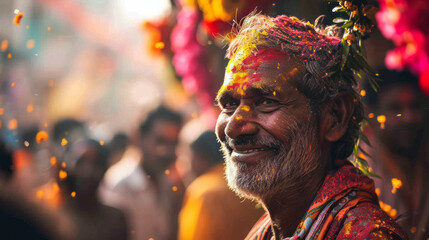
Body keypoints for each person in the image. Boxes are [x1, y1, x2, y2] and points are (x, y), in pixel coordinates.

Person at [215, 13, 408, 239]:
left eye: (266, 102)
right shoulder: (267, 230)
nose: (233, 128)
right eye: (229, 105)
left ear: (335, 117)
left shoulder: (366, 235)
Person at [100, 106, 184, 240]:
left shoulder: (168, 179)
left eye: (173, 143)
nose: (167, 151)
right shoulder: (119, 183)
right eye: (160, 142)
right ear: (138, 138)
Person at [364, 69, 428, 240]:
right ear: (372, 113)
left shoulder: (420, 155)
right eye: (395, 108)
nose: (408, 117)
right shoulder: (361, 168)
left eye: (414, 106)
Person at [178, 131, 264, 240]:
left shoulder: (203, 191)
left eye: (187, 158)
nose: (184, 167)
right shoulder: (251, 184)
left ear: (200, 157)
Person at [59, 139, 128, 240]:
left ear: (104, 170)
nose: (88, 171)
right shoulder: (55, 217)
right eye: (80, 162)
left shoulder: (115, 219)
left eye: (95, 163)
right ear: (67, 168)